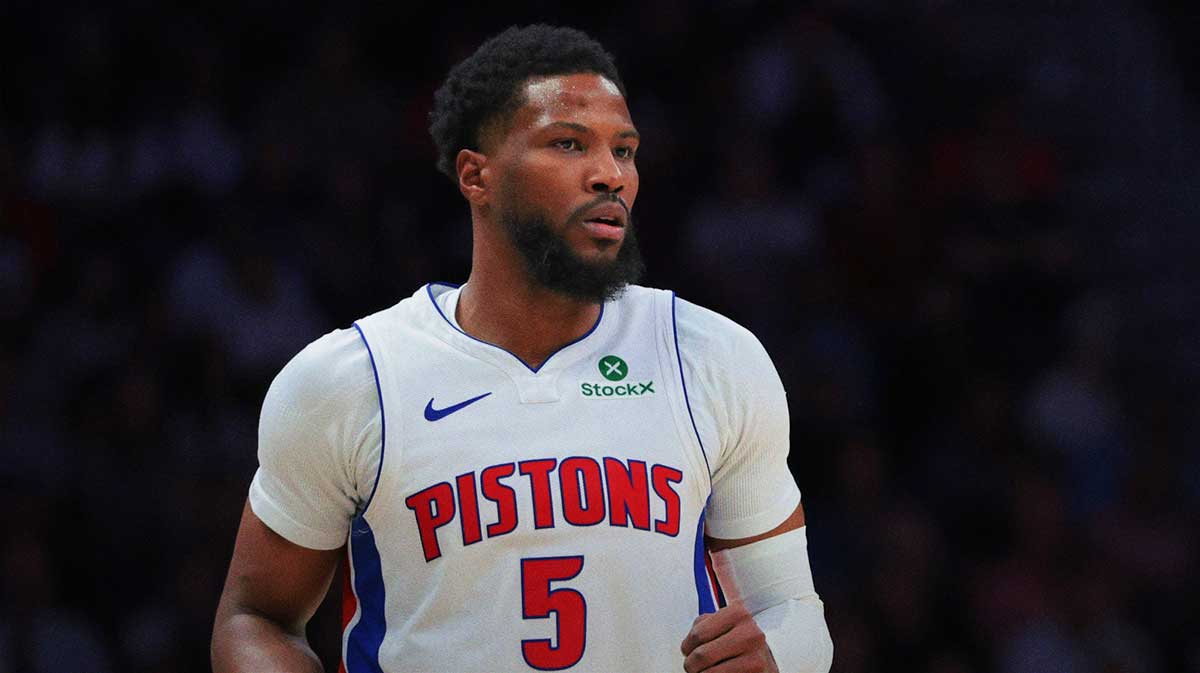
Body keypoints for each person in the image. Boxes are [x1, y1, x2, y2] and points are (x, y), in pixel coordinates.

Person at [211, 24, 833, 673]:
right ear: (476, 176)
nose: (609, 175)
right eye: (569, 144)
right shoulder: (351, 379)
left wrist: (776, 656)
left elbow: (792, 608)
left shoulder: (713, 358)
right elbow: (255, 617)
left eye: (624, 150)